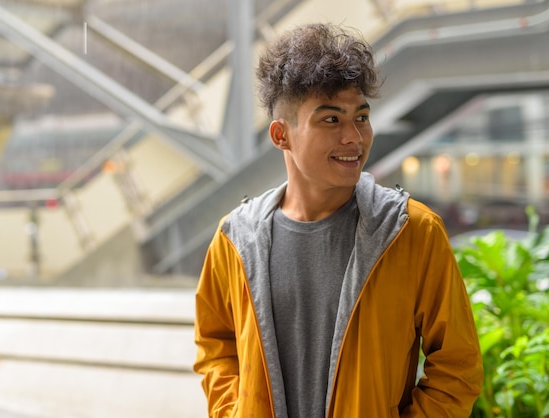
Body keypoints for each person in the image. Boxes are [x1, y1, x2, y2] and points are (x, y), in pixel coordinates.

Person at [193, 22, 483, 417]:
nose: (354, 137)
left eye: (361, 117)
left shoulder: (412, 232)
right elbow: (215, 346)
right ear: (282, 135)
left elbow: (458, 363)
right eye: (331, 120)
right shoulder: (235, 240)